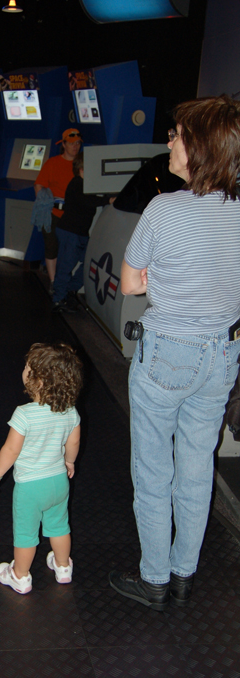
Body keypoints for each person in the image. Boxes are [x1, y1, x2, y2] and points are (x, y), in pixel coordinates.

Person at [109, 95, 240, 611]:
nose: (169, 141)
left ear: (200, 148)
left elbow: (130, 284)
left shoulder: (164, 209)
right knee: (195, 466)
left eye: (177, 134)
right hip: (220, 358)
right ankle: (185, 571)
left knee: (153, 469)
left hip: (168, 355)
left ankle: (155, 579)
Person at [0, 343, 82, 594]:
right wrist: (69, 461)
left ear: (36, 381)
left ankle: (20, 575)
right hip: (59, 481)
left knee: (26, 535)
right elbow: (73, 442)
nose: (24, 369)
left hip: (30, 487)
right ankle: (63, 567)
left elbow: (10, 451)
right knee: (60, 526)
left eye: (28, 367)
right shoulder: (70, 411)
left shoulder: (24, 415)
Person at [52, 152, 115, 313]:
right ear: (82, 168)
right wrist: (107, 200)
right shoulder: (77, 184)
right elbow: (87, 201)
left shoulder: (86, 185)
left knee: (87, 264)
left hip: (79, 233)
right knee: (66, 266)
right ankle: (59, 298)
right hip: (70, 232)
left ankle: (69, 290)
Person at [34, 129, 83, 291]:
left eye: (77, 143)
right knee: (51, 247)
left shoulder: (82, 164)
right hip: (53, 212)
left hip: (73, 214)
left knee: (71, 249)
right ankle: (54, 282)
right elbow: (39, 184)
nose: (75, 147)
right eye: (71, 143)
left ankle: (64, 281)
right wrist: (43, 204)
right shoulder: (53, 163)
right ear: (63, 144)